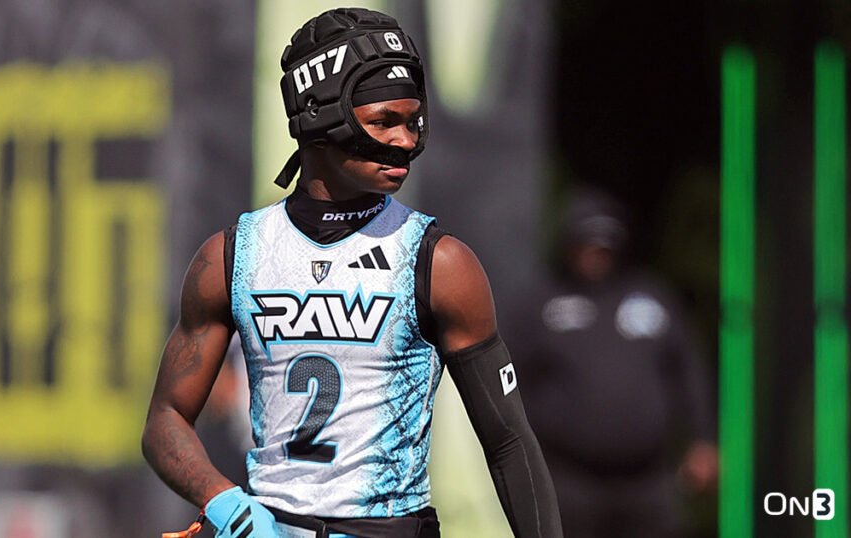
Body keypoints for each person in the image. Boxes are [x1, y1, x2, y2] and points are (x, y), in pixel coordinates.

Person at [142, 8, 562, 538]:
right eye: (384, 121)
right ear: (319, 115)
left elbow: (509, 442)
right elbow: (165, 420)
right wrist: (224, 502)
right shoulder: (232, 255)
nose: (405, 140)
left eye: (413, 121)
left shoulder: (439, 261)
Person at [506, 188, 718, 538]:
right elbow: (509, 378)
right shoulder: (540, 303)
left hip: (648, 480)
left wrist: (702, 439)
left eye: (603, 246)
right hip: (568, 478)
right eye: (586, 245)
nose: (595, 255)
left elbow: (688, 371)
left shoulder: (652, 297)